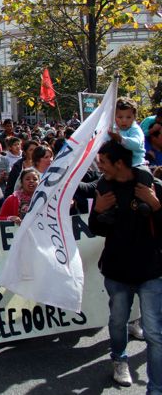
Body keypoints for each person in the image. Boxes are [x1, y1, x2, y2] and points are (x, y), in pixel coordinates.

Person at [89, 139, 162, 390]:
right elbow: (96, 227)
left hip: (151, 271)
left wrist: (155, 205)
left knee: (155, 334)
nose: (100, 167)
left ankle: (156, 388)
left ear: (119, 163)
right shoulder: (104, 186)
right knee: (118, 322)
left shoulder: (151, 186)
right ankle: (119, 359)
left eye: (103, 162)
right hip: (117, 271)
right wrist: (98, 211)